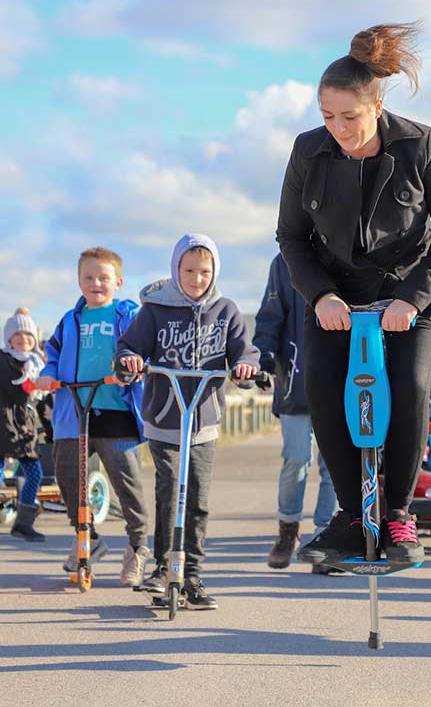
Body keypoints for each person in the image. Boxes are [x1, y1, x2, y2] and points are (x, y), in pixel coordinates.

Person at [276, 23, 431, 567]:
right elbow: (291, 236)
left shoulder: (420, 144)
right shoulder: (307, 152)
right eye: (327, 117)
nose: (338, 128)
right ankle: (348, 514)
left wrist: (412, 299)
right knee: (320, 382)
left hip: (414, 291)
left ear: (377, 105)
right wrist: (319, 297)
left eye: (350, 117)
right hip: (336, 296)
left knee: (409, 384)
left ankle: (400, 517)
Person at [116, 234, 259, 609]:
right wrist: (129, 361)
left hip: (203, 421)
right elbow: (130, 347)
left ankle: (191, 573)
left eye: (204, 271)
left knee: (196, 498)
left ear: (215, 273)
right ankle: (164, 567)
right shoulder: (155, 310)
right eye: (189, 270)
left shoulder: (225, 310)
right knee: (169, 492)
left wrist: (245, 368)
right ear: (176, 269)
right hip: (165, 418)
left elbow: (244, 351)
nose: (197, 278)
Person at [35, 248, 151, 585]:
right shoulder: (71, 320)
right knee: (68, 475)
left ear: (118, 282)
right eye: (88, 277)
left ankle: (137, 547)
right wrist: (47, 374)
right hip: (74, 410)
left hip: (115, 411)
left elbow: (142, 348)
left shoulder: (128, 316)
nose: (96, 283)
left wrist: (135, 366)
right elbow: (52, 355)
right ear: (79, 281)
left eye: (103, 277)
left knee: (126, 483)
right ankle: (88, 537)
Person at [253, 253, 338, 570]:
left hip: (339, 380)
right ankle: (288, 530)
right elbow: (270, 316)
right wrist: (262, 359)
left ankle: (326, 535)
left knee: (333, 466)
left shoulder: (348, 252)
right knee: (297, 457)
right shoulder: (284, 262)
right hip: (295, 381)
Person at [2, 310, 45, 541]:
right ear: (9, 339)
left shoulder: (37, 365)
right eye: (17, 335)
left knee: (35, 474)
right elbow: (18, 393)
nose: (23, 339)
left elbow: (42, 401)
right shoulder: (3, 360)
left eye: (28, 336)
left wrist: (50, 425)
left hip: (25, 430)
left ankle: (23, 523)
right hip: (2, 426)